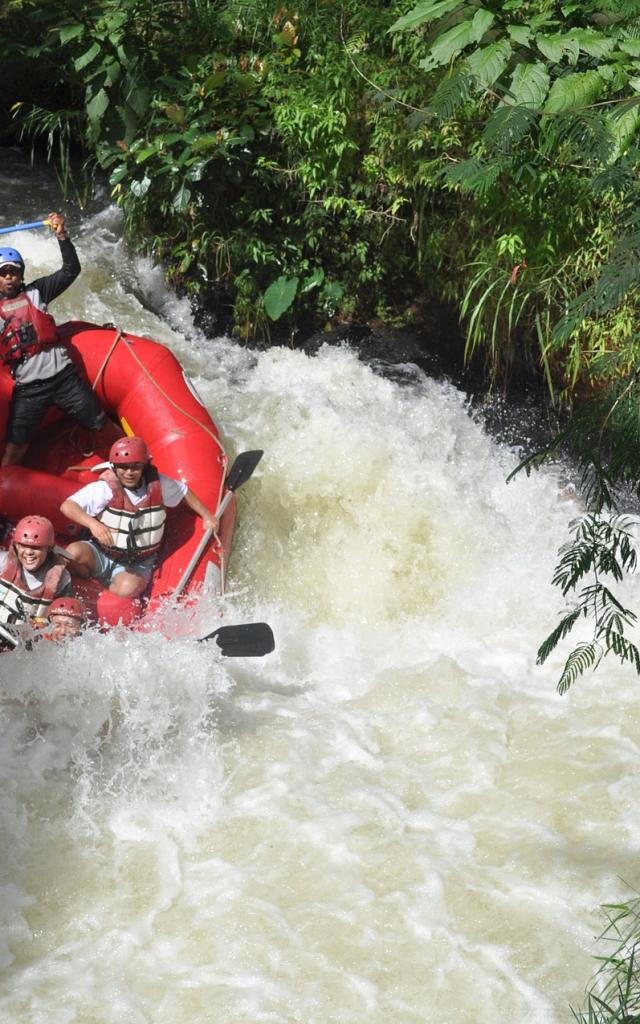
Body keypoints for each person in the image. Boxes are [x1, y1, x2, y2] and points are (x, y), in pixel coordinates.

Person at [0, 211, 106, 466]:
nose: (9, 277)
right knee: (15, 448)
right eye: (3, 273)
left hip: (63, 378)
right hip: (29, 389)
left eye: (13, 272)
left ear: (21, 274)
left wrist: (62, 236)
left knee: (100, 424)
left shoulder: (38, 291)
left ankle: (124, 469)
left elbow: (72, 270)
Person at [60, 436, 219, 599]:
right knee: (73, 553)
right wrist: (94, 524)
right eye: (123, 467)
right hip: (101, 552)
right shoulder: (104, 488)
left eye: (135, 467)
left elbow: (185, 493)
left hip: (139, 561)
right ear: (114, 467)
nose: (129, 473)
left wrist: (207, 515)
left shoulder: (160, 484)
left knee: (126, 590)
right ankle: (91, 583)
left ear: (144, 465)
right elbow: (68, 506)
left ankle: (113, 596)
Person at [0, 515, 72, 630]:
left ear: (49, 549)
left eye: (36, 547)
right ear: (16, 545)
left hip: (25, 640)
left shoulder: (62, 578)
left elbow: (63, 620)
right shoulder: (2, 562)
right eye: (23, 545)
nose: (29, 552)